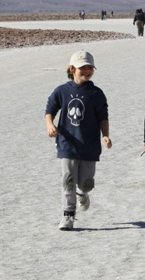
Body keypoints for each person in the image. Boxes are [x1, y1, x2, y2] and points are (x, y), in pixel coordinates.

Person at [45, 50, 113, 231]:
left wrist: (105, 135)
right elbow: (50, 109)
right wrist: (50, 125)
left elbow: (103, 117)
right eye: (83, 67)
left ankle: (83, 193)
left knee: (86, 183)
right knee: (68, 180)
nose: (87, 71)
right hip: (67, 144)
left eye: (90, 67)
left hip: (90, 145)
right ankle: (68, 215)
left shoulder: (96, 93)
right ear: (72, 68)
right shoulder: (62, 91)